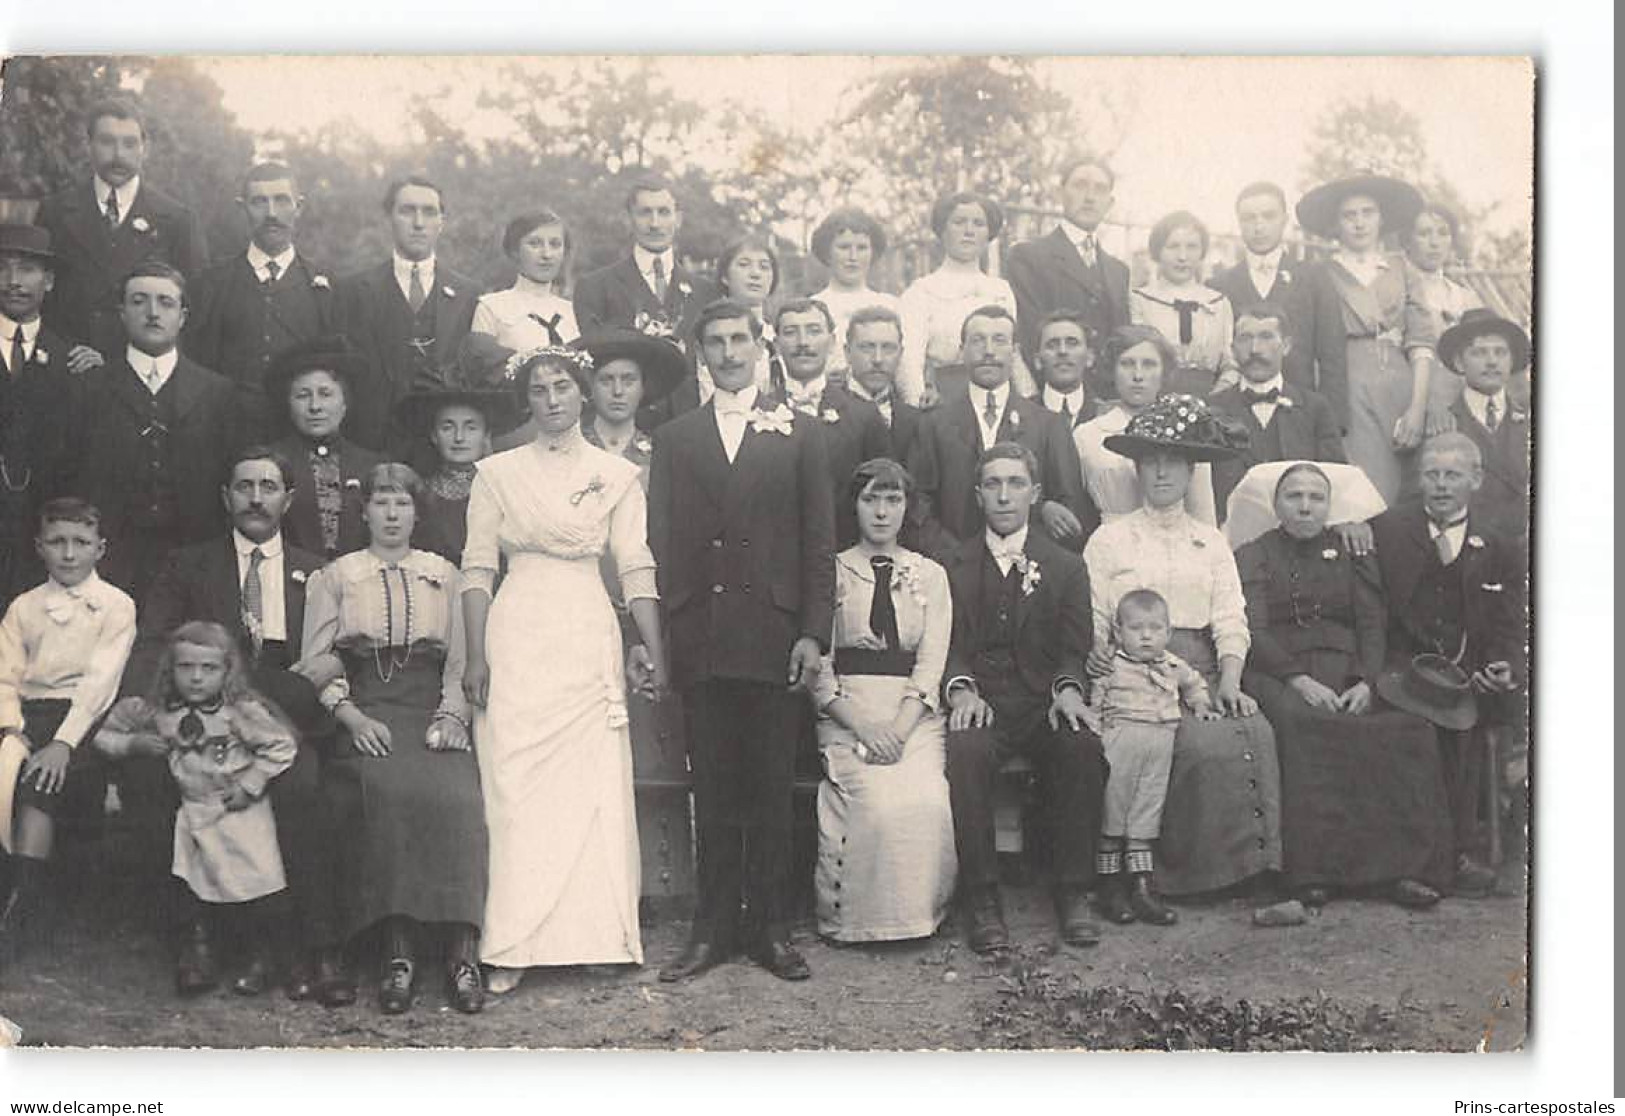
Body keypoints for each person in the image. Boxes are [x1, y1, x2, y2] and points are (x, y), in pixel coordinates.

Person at [458, 343, 665, 992]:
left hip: (584, 633)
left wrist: (653, 649)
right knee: (515, 787)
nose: (551, 401)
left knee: (592, 787)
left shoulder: (617, 475)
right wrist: (475, 653)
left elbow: (634, 565)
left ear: (583, 393)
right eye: (539, 390)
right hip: (517, 631)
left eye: (562, 387)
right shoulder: (495, 473)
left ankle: (598, 933)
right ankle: (515, 940)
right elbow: (476, 568)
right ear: (526, 400)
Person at [648, 298, 835, 983]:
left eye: (738, 340)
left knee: (770, 786)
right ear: (701, 354)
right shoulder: (676, 438)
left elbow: (819, 542)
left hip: (773, 632)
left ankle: (771, 928)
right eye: (715, 343)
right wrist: (670, 631)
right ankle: (712, 926)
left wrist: (813, 631)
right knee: (714, 787)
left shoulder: (801, 433)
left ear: (761, 346)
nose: (728, 353)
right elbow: (662, 544)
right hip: (703, 634)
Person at [135, 445, 353, 1004]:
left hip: (287, 718)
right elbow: (157, 643)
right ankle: (200, 940)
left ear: (289, 498)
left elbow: (338, 651)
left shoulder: (318, 570)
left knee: (304, 789)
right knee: (182, 788)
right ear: (225, 497)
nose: (256, 498)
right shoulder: (189, 565)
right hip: (208, 714)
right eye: (244, 486)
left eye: (269, 487)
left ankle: (314, 949)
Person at [1082, 396, 1289, 909]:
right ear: (1136, 468)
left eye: (1172, 462)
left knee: (1252, 729)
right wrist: (1108, 672)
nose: (1160, 472)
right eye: (1150, 461)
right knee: (1195, 746)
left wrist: (1230, 681)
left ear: (1190, 470)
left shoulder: (1210, 541)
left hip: (1201, 667)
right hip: (1134, 673)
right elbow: (1096, 621)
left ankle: (1256, 872)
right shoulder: (1110, 539)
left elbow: (1230, 618)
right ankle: (1173, 877)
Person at [298, 463, 485, 1016]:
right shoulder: (337, 576)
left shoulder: (445, 575)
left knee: (459, 798)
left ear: (417, 514)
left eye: (402, 504)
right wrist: (351, 718)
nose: (392, 514)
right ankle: (396, 953)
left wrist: (453, 716)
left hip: (429, 708)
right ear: (364, 512)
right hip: (367, 710)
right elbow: (315, 662)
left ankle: (461, 950)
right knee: (385, 793)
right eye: (381, 503)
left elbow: (459, 659)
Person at [1234, 463, 1453, 909]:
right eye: (1294, 496)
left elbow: (1372, 623)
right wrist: (1297, 679)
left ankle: (1404, 869)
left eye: (1316, 497)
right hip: (1280, 673)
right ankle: (1315, 873)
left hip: (1350, 668)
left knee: (1408, 730)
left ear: (1329, 505)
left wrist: (1368, 682)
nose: (1305, 506)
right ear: (1276, 505)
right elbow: (1252, 629)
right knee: (1304, 727)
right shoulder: (1254, 555)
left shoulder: (1353, 551)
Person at [940, 442, 1106, 952]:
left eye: (1015, 484)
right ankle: (983, 899)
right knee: (965, 751)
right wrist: (962, 687)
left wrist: (1069, 691)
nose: (1004, 496)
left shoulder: (1065, 566)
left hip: (1040, 701)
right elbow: (943, 645)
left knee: (1080, 746)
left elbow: (1075, 649)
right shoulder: (951, 563)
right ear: (978, 495)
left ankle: (1074, 889)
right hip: (984, 700)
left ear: (1034, 493)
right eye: (993, 484)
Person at [94, 621, 297, 996]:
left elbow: (282, 747)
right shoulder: (156, 710)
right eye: (186, 667)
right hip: (194, 809)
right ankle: (199, 954)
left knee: (255, 880)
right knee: (195, 880)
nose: (197, 678)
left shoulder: (240, 711)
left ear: (227, 671)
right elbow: (104, 736)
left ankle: (261, 956)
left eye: (209, 669)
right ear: (170, 670)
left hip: (238, 808)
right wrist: (134, 744)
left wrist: (249, 785)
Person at [1370, 434, 1524, 897]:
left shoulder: (1500, 545)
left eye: (1452, 475)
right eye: (1431, 475)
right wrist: (1350, 529)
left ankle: (1447, 855)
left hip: (1470, 674)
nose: (1440, 485)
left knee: (1463, 725)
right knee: (1409, 728)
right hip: (1403, 672)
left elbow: (1511, 625)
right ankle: (1420, 861)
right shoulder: (1387, 529)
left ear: (1475, 480)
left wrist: (1502, 665)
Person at [810, 458, 955, 943]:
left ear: (907, 508)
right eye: (870, 499)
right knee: (876, 804)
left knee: (927, 800)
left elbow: (931, 665)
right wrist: (863, 726)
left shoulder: (930, 575)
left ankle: (917, 917)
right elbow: (820, 668)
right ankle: (854, 921)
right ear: (853, 505)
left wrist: (899, 727)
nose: (881, 512)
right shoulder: (830, 572)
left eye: (892, 500)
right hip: (850, 711)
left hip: (912, 717)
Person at [0, 499, 136, 960]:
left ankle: (23, 910)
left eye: (81, 543)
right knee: (8, 769)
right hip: (26, 716)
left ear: (101, 548)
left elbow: (101, 681)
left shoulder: (116, 605)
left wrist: (61, 743)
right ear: (40, 547)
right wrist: (11, 730)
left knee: (41, 780)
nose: (69, 554)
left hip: (84, 720)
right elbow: (6, 677)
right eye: (57, 542)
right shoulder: (24, 606)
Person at [70, 261, 244, 603]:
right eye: (139, 301)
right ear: (121, 312)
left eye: (166, 302)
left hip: (193, 559)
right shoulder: (89, 387)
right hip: (110, 563)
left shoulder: (217, 391)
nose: (152, 313)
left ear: (183, 316)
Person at [1296, 173, 1442, 503]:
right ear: (1336, 224)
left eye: (1368, 213)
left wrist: (1417, 407)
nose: (1359, 223)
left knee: (1409, 488)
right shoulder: (1320, 273)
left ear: (1381, 218)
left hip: (1400, 385)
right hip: (1345, 384)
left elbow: (1421, 342)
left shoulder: (1402, 269)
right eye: (1349, 216)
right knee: (1364, 485)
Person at [909, 305, 1093, 561]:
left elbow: (1068, 507)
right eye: (977, 340)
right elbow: (918, 505)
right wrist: (953, 557)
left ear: (1014, 352)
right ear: (962, 351)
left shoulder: (1048, 424)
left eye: (999, 340)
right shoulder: (934, 423)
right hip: (954, 570)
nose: (988, 351)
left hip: (1028, 570)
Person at [34, 98, 207, 361]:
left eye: (129, 143)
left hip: (141, 372)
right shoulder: (55, 212)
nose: (119, 155)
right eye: (107, 142)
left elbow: (195, 306)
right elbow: (39, 300)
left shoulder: (177, 219)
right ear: (88, 146)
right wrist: (63, 353)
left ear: (144, 148)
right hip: (71, 367)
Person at [1092, 588, 1216, 927]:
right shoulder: (1111, 666)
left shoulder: (1173, 664)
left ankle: (1142, 888)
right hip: (1120, 743)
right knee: (1112, 815)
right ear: (1118, 633)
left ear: (1169, 633)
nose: (1147, 636)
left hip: (1159, 745)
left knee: (1145, 818)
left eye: (1155, 628)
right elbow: (1093, 703)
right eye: (1136, 628)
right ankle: (1109, 886)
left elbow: (1194, 684)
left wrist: (1201, 704)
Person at [185, 162, 337, 436]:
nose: (271, 214)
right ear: (242, 207)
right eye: (259, 202)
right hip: (226, 434)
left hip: (299, 437)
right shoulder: (210, 285)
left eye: (281, 201)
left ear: (298, 207)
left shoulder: (327, 288)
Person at [334, 176, 482, 453]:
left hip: (445, 449)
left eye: (429, 212)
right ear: (389, 217)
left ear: (442, 222)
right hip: (371, 446)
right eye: (407, 211)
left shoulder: (469, 294)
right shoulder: (351, 291)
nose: (418, 223)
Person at [572, 178, 720, 403]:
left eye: (664, 212)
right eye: (644, 213)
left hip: (690, 421)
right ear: (628, 219)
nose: (654, 223)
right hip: (628, 421)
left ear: (678, 219)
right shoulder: (595, 287)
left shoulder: (706, 292)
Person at [0, 225, 86, 611]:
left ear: (49, 281)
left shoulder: (73, 361)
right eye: (2, 268)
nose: (13, 282)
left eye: (27, 269)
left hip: (43, 538)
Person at [1208, 182, 1346, 408]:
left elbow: (1333, 356)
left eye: (1268, 216)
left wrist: (1332, 422)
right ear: (1239, 223)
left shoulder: (1313, 278)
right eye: (1249, 218)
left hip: (1299, 411)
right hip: (1238, 415)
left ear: (1284, 220)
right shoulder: (1219, 285)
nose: (1258, 226)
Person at [1207, 302, 1346, 518]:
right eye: (1245, 338)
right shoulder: (1213, 410)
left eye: (1266, 337)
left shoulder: (1315, 407)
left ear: (1287, 346)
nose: (1255, 349)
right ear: (1232, 348)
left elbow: (1337, 476)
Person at [1006, 156, 1131, 397]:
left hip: (1108, 399)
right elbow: (1030, 333)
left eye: (1100, 189)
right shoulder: (1029, 257)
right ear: (1060, 193)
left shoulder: (1118, 270)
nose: (1090, 197)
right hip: (1052, 395)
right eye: (1080, 185)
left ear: (1110, 203)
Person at [897, 192, 1033, 405]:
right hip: (944, 401)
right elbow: (909, 363)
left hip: (995, 401)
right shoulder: (921, 292)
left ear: (989, 234)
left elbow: (1013, 356)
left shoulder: (1000, 289)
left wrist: (1030, 405)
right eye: (959, 222)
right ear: (943, 230)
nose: (969, 231)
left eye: (978, 224)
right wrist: (918, 409)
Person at [1074, 325, 1218, 524]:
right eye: (1127, 364)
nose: (1138, 375)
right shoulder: (1087, 435)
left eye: (1149, 364)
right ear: (1112, 371)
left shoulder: (1188, 429)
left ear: (1164, 372)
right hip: (1111, 541)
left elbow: (1202, 512)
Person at [775, 298, 890, 549]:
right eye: (791, 332)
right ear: (776, 345)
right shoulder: (757, 412)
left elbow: (882, 498)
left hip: (843, 556)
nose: (803, 343)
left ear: (832, 341)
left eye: (814, 331)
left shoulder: (864, 416)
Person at [464, 209, 579, 452]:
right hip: (515, 436)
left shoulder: (574, 311)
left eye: (555, 244)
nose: (546, 254)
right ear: (515, 251)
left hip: (572, 438)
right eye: (535, 244)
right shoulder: (491, 307)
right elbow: (480, 380)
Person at [264, 337, 385, 561]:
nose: (315, 407)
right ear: (288, 405)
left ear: (345, 403)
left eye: (326, 394)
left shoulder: (373, 466)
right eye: (302, 396)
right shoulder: (269, 464)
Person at [392, 371, 519, 565]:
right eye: (448, 427)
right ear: (434, 436)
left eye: (471, 427)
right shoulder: (418, 496)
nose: (459, 437)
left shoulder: (505, 493)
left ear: (486, 436)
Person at [1438, 309, 1530, 552]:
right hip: (1465, 555)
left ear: (1511, 361)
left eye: (1500, 352)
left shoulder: (1529, 421)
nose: (1492, 361)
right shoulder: (1442, 425)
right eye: (1479, 352)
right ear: (1459, 362)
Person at [1129, 210, 1240, 398]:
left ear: (1202, 252)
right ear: (1157, 251)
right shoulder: (1140, 300)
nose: (1182, 257)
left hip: (1211, 401)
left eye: (1192, 247)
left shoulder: (1219, 303)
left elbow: (1231, 364)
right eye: (1173, 246)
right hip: (1154, 399)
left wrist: (1218, 396)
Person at [806, 207, 901, 383]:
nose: (853, 257)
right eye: (844, 247)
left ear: (873, 253)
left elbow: (904, 371)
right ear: (827, 252)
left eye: (862, 248)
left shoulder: (892, 306)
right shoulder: (811, 308)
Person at [576, 330, 687, 482]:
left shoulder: (661, 457)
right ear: (591, 387)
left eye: (628, 381)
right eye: (606, 380)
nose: (618, 391)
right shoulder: (571, 449)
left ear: (642, 388)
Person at [843, 306, 923, 467]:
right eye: (867, 347)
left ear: (900, 354)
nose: (878, 359)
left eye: (888, 348)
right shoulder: (824, 413)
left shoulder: (918, 420)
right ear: (847, 353)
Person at [1031, 309, 1102, 430]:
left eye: (1072, 343)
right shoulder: (1023, 414)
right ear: (1037, 360)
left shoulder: (1104, 415)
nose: (1062, 351)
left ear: (1090, 357)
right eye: (1052, 345)